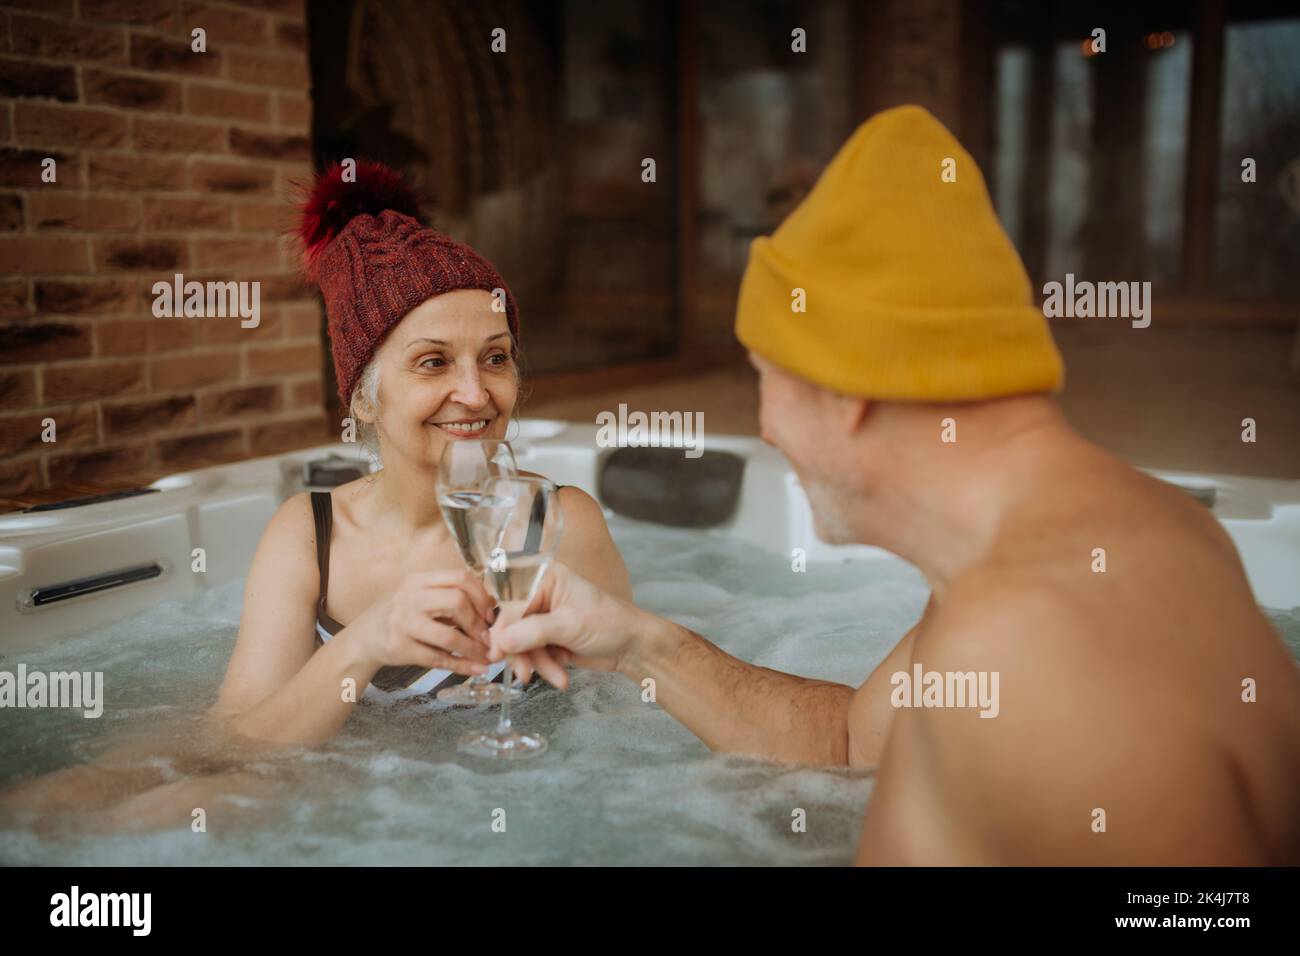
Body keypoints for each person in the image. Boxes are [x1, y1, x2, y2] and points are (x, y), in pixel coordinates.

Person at [488, 106, 1300, 865]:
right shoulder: (1036, 567)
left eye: (763, 378)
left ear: (849, 392)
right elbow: (849, 745)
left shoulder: (1043, 647)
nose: (765, 428)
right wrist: (636, 641)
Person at [209, 160, 631, 744]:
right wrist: (362, 643)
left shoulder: (556, 524)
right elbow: (234, 745)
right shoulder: (309, 535)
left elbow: (624, 733)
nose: (476, 393)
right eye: (433, 361)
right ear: (363, 398)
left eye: (495, 356)